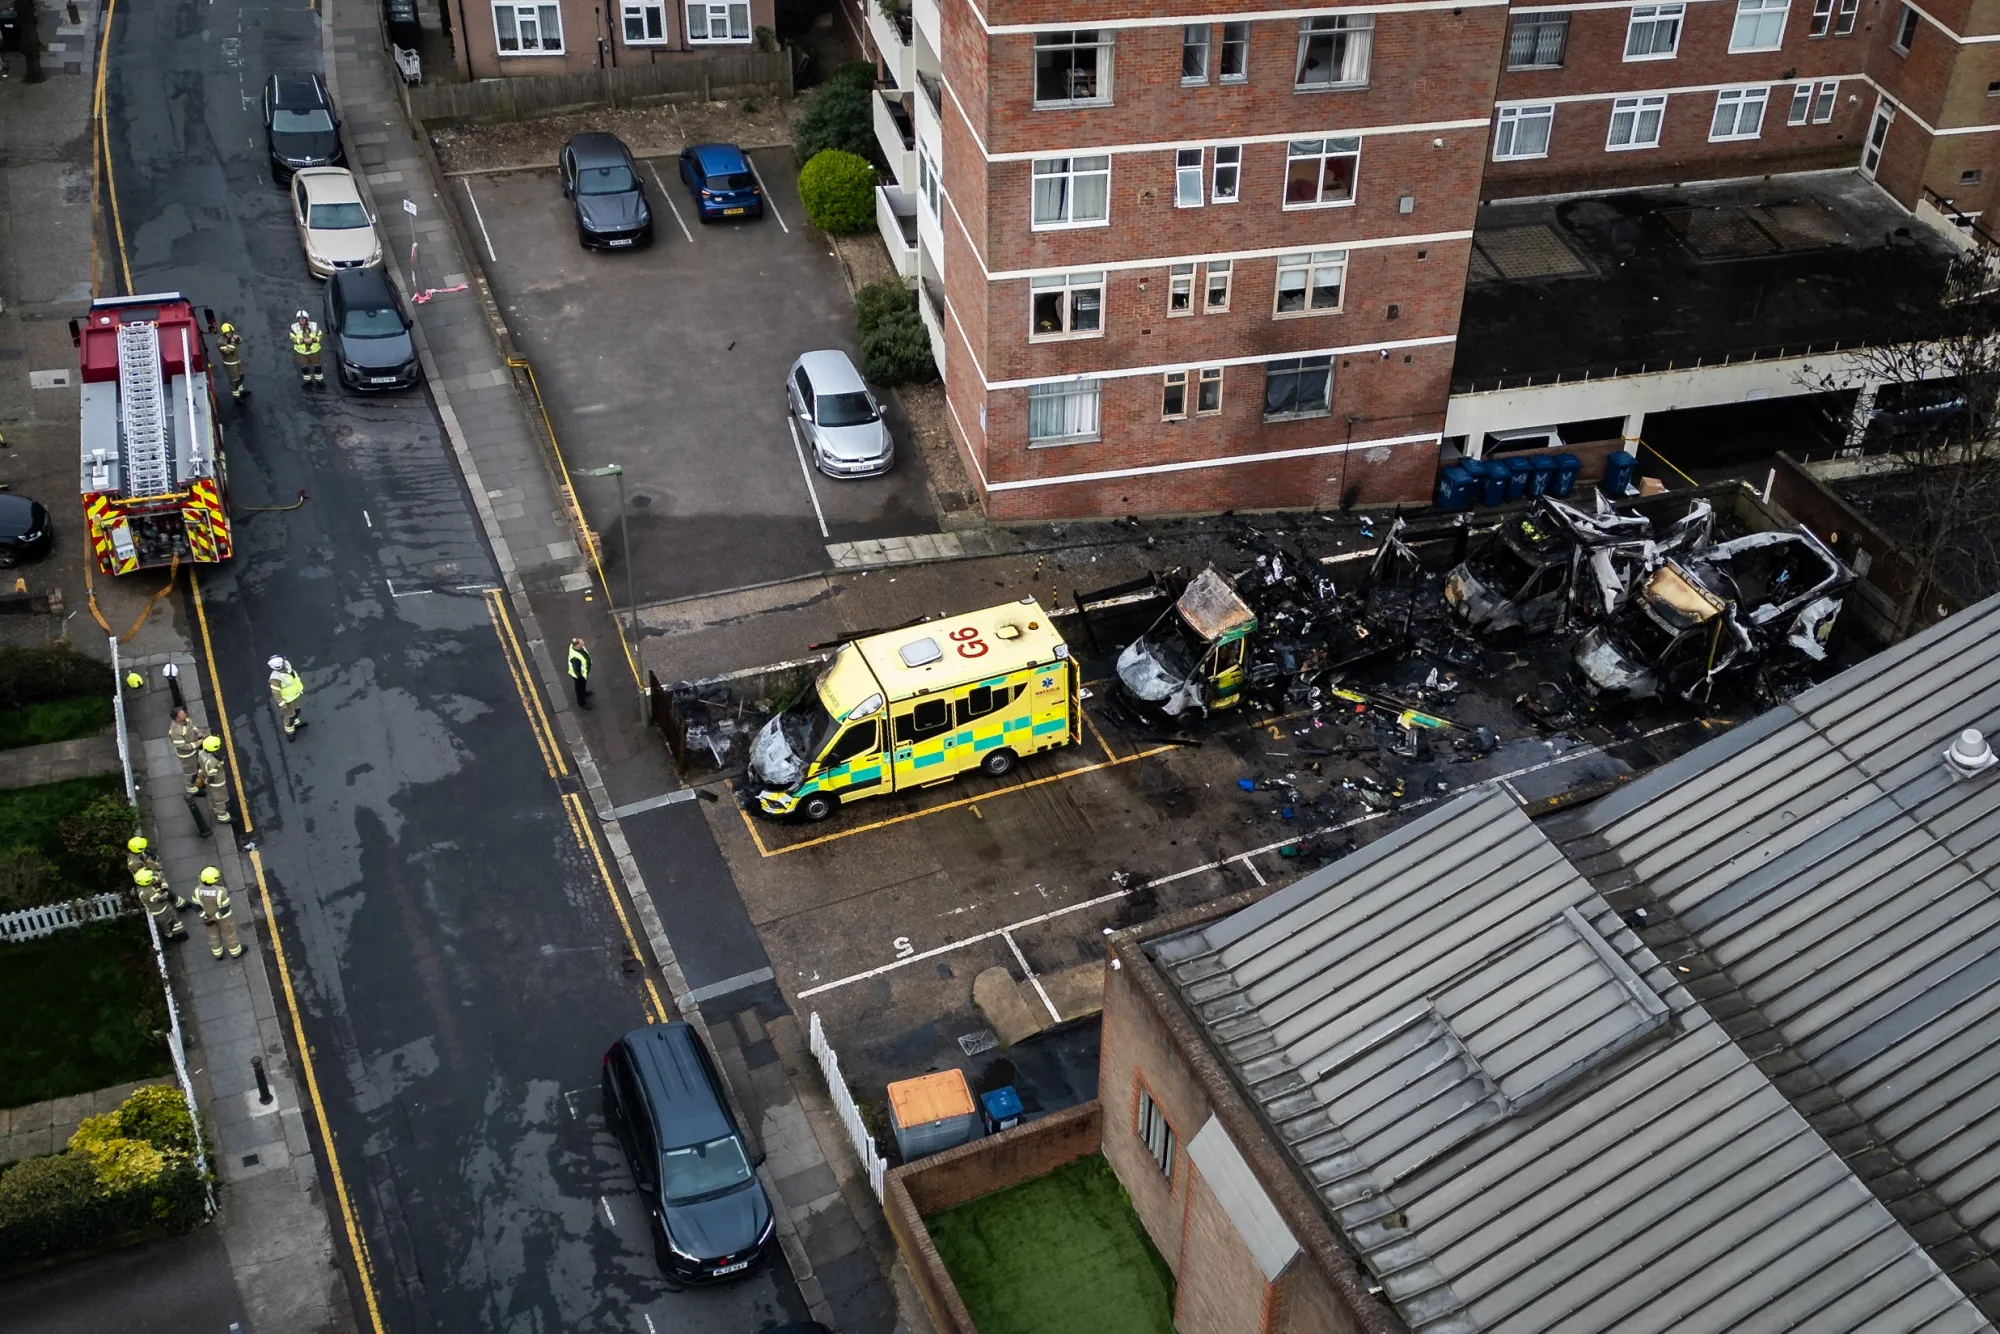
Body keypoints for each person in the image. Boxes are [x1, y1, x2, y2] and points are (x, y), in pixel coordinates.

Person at [195, 866, 244, 960]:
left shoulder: (197, 890)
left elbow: (196, 906)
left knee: (213, 935)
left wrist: (205, 917)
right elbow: (225, 908)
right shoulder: (221, 892)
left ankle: (218, 955)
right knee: (230, 934)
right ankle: (235, 953)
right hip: (224, 918)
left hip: (208, 917)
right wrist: (214, 917)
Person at [134, 868, 189, 942]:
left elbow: (156, 879)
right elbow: (161, 898)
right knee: (167, 924)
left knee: (174, 918)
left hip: (165, 907)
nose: (153, 878)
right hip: (160, 913)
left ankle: (180, 933)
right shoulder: (146, 893)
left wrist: (159, 877)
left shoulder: (147, 885)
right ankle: (171, 937)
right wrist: (164, 884)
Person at [195, 735, 232, 824]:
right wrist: (208, 781)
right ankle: (223, 817)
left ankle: (217, 809)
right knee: (220, 800)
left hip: (209, 779)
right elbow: (212, 776)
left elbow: (200, 765)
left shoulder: (201, 753)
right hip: (217, 784)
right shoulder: (213, 762)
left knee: (216, 799)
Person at [268, 655, 306, 739]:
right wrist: (282, 704)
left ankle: (296, 723)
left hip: (295, 696)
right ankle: (290, 732)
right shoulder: (275, 679)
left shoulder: (287, 666)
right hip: (287, 701)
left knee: (297, 711)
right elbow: (276, 693)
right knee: (290, 718)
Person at [168, 706, 207, 783]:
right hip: (187, 756)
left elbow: (192, 726)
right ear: (177, 718)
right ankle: (192, 786)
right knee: (191, 772)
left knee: (197, 765)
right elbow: (182, 746)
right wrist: (197, 743)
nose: (185, 714)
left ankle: (199, 779)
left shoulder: (186, 720)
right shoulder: (176, 732)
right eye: (183, 714)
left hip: (194, 751)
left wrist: (197, 732)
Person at [288, 311, 323, 388]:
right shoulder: (294, 328)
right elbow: (293, 339)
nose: (302, 320)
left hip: (314, 351)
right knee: (304, 368)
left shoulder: (313, 326)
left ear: (307, 319)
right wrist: (303, 341)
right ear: (298, 319)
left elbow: (320, 335)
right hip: (302, 353)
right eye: (300, 319)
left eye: (304, 318)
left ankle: (319, 381)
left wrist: (313, 340)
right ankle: (308, 381)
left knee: (317, 367)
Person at [216, 321, 248, 400]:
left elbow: (240, 341)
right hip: (230, 364)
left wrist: (237, 338)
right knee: (234, 380)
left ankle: (241, 391)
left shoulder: (232, 336)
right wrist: (233, 342)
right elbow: (227, 352)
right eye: (228, 333)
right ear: (224, 333)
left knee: (241, 376)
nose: (230, 334)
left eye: (231, 332)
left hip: (237, 361)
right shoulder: (220, 342)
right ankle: (236, 396)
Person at [567, 637, 592, 710]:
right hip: (579, 676)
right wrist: (581, 678)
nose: (583, 642)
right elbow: (576, 670)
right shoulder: (575, 658)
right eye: (581, 643)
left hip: (583, 674)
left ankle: (584, 692)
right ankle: (581, 702)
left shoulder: (573, 646)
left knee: (582, 687)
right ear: (577, 645)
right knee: (580, 688)